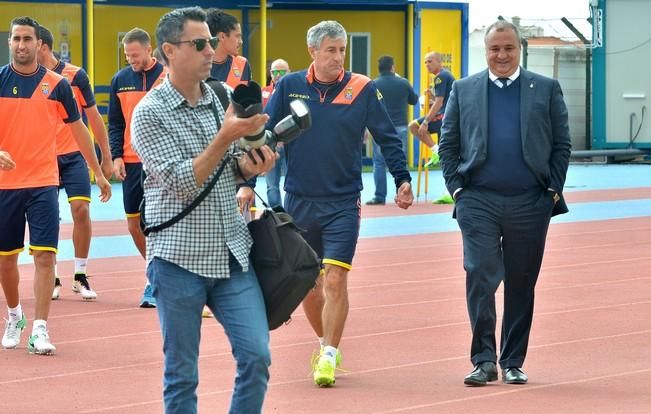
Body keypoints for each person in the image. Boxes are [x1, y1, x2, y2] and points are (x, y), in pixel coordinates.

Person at [131, 7, 275, 412]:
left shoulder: (220, 97)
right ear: (169, 52)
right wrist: (226, 135)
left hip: (231, 252)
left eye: (211, 41)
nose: (211, 50)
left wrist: (252, 164)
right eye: (200, 43)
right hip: (177, 258)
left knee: (257, 356)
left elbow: (231, 166)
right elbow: (181, 181)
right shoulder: (149, 112)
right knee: (182, 375)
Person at [264, 20, 414, 387]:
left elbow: (387, 138)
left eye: (342, 49)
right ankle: (323, 340)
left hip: (343, 202)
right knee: (308, 284)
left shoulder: (363, 88)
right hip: (299, 200)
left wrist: (402, 178)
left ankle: (329, 354)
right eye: (330, 50)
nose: (338, 57)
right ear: (312, 51)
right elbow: (266, 138)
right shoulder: (289, 86)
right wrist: (247, 183)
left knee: (335, 277)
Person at [438, 20, 571, 387]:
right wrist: (458, 192)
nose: (502, 55)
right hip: (477, 199)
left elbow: (562, 144)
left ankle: (512, 360)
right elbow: (448, 145)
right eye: (495, 49)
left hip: (531, 201)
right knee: (480, 272)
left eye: (508, 48)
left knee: (521, 281)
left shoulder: (546, 88)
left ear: (520, 49)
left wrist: (552, 192)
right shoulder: (463, 90)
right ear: (486, 50)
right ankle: (483, 359)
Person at [0, 16, 111, 355]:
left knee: (45, 257)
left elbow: (80, 132)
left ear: (39, 44)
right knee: (6, 261)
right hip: (6, 186)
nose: (22, 45)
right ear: (10, 43)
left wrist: (99, 171)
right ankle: (15, 316)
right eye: (16, 38)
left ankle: (40, 329)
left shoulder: (58, 85)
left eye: (28, 39)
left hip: (44, 183)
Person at [37, 25, 112, 301]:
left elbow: (93, 118)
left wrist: (105, 157)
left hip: (74, 156)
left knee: (81, 210)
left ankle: (80, 275)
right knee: (47, 218)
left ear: (43, 46)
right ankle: (52, 275)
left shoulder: (76, 76)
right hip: (43, 158)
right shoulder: (30, 78)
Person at [108, 27, 166, 308]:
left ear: (148, 49)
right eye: (127, 55)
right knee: (134, 224)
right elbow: (116, 123)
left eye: (135, 55)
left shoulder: (168, 76)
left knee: (157, 223)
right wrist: (116, 156)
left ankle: (154, 279)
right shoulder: (120, 80)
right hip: (130, 163)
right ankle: (155, 272)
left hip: (160, 161)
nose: (131, 60)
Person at [205, 8, 256, 213]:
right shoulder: (197, 66)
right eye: (237, 36)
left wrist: (247, 183)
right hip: (206, 150)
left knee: (244, 221)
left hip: (236, 151)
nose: (241, 41)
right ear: (221, 37)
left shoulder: (242, 64)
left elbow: (248, 114)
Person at [366, 55, 418, 205]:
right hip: (400, 126)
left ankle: (379, 196)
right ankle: (404, 193)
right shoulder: (403, 82)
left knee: (379, 162)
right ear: (392, 67)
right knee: (400, 161)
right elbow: (413, 100)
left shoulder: (373, 84)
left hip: (379, 128)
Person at [408, 52, 455, 169]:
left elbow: (439, 103)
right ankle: (438, 152)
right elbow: (442, 100)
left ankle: (436, 151)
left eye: (430, 61)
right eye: (425, 62)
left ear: (440, 62)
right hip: (449, 115)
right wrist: (432, 97)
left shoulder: (441, 77)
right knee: (447, 156)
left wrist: (426, 122)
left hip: (446, 116)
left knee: (413, 126)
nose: (427, 64)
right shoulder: (445, 75)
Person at [262, 58, 290, 207]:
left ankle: (292, 216)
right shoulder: (263, 93)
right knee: (272, 186)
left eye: (282, 71)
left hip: (290, 145)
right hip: (269, 147)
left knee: (293, 185)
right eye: (275, 72)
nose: (278, 75)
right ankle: (278, 218)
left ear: (289, 72)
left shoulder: (295, 94)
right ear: (270, 74)